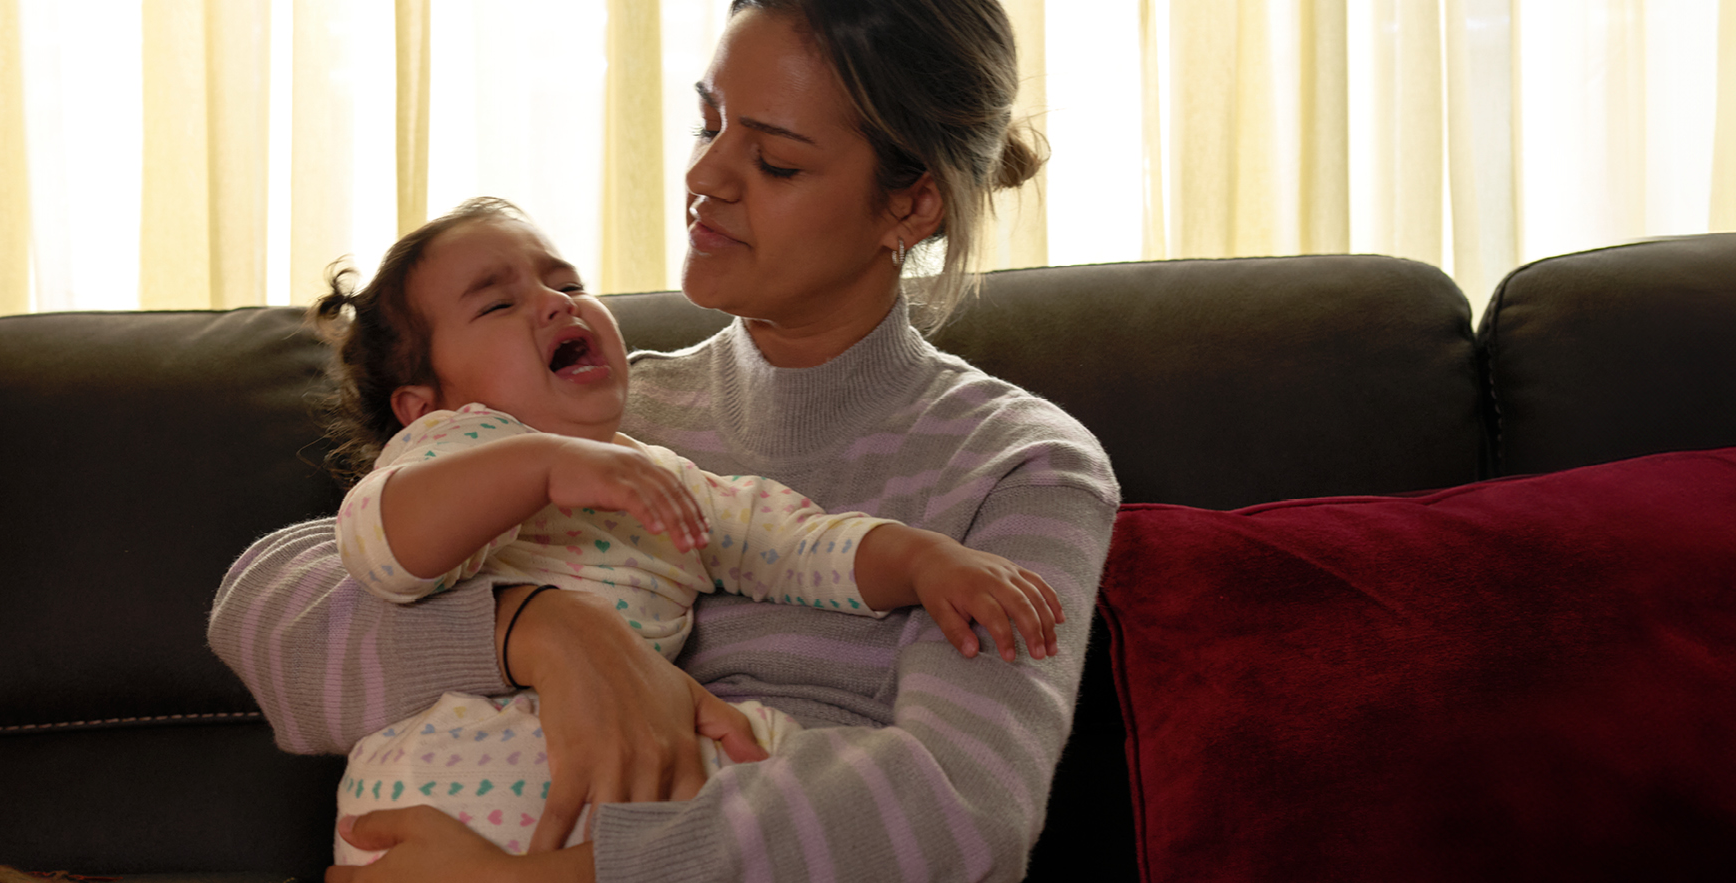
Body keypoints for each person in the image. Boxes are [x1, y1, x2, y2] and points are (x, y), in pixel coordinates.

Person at [208, 0, 1117, 879]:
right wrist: (541, 631)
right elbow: (270, 619)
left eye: (773, 161)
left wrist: (556, 879)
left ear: (911, 206)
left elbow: (961, 814)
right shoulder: (586, 408)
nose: (705, 177)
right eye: (708, 121)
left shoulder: (1022, 465)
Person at [307, 197, 1066, 866]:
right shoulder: (451, 445)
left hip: (637, 775)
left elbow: (799, 544)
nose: (555, 303)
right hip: (446, 773)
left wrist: (926, 559)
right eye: (498, 305)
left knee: (790, 763)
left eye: (568, 284)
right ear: (419, 403)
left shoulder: (663, 476)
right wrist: (541, 470)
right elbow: (381, 547)